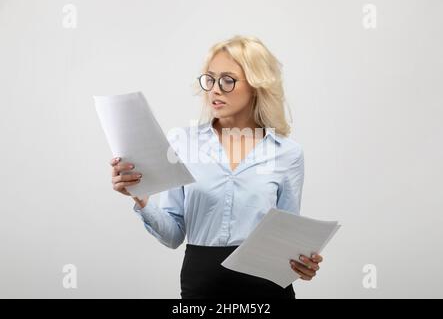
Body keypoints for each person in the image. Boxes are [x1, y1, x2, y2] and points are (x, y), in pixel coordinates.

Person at [109, 35, 323, 299]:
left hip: (267, 293)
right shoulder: (182, 143)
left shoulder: (287, 154)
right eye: (210, 79)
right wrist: (141, 199)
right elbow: (173, 235)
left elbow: (289, 242)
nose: (214, 89)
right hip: (201, 289)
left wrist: (301, 265)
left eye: (227, 80)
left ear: (257, 85)